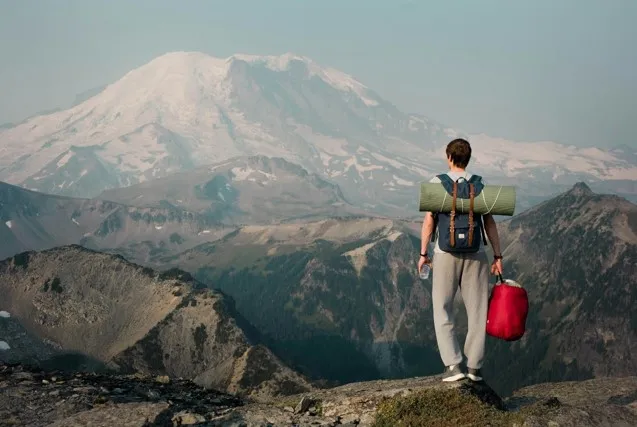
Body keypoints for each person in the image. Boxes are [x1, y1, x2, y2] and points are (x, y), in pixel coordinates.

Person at [417, 138, 503, 383]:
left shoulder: (437, 183)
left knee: (442, 308)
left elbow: (429, 221)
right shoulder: (480, 184)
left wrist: (423, 253)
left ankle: (454, 366)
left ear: (449, 157)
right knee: (477, 311)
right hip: (476, 255)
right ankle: (475, 368)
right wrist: (497, 256)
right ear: (468, 158)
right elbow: (489, 223)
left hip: (445, 254)